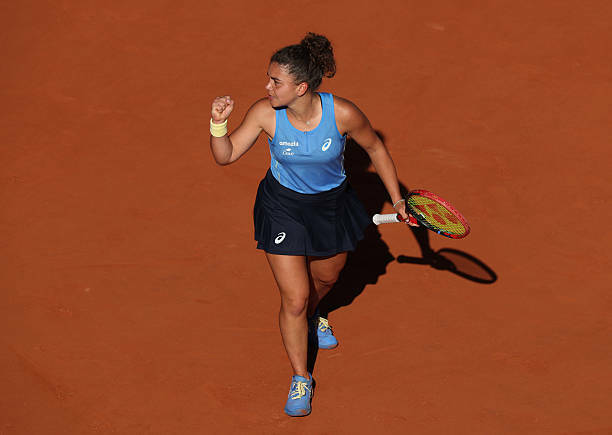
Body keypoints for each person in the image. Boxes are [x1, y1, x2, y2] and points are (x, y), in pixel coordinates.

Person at [209, 33, 414, 417]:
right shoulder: (265, 113)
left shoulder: (343, 114)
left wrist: (399, 199)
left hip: (332, 208)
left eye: (276, 81)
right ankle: (301, 376)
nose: (267, 87)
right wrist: (218, 125)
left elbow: (375, 148)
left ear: (301, 87)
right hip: (282, 208)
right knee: (295, 298)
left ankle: (315, 314)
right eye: (269, 79)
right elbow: (227, 155)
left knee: (326, 279)